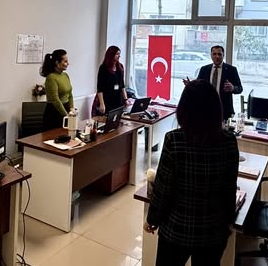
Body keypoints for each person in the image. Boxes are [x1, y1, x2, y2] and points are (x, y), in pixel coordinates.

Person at [144, 79, 240, 266]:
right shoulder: (229, 141)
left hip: (177, 228)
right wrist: (229, 220)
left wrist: (153, 218)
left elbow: (163, 188)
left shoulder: (174, 140)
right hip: (214, 230)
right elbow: (230, 188)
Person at [184, 45, 242, 122]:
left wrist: (233, 88)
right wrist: (190, 85)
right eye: (214, 54)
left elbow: (240, 88)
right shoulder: (204, 69)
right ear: (211, 55)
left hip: (224, 110)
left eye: (219, 54)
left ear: (223, 55)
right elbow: (198, 87)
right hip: (206, 109)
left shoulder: (231, 70)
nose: (217, 56)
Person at [40, 49, 74, 132]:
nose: (68, 64)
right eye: (65, 61)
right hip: (54, 113)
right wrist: (66, 115)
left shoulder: (65, 75)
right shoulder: (51, 77)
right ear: (57, 63)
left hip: (66, 109)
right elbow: (55, 100)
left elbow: (70, 94)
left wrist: (71, 109)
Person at [95, 45, 128, 115]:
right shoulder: (103, 68)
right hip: (108, 99)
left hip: (118, 99)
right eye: (117, 54)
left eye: (119, 54)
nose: (119, 56)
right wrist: (102, 104)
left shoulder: (120, 67)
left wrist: (125, 99)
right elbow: (100, 88)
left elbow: (122, 85)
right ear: (111, 55)